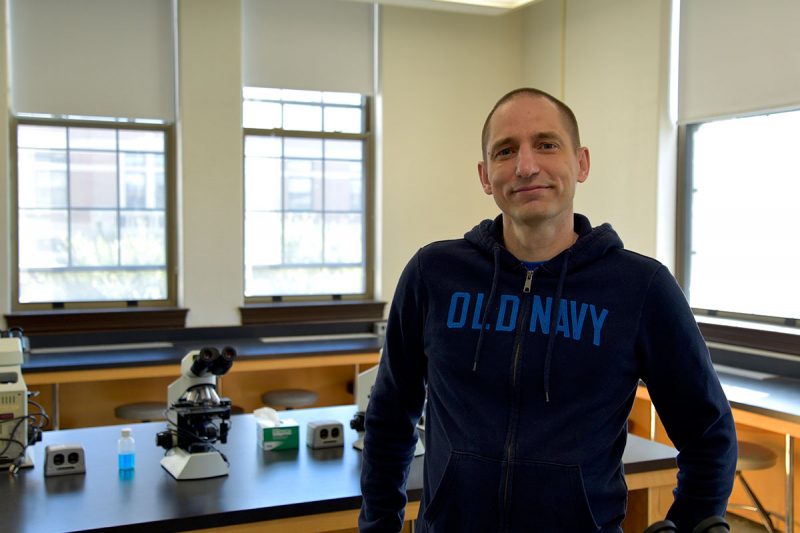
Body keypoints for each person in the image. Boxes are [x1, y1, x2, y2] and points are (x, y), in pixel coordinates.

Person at [359, 88, 737, 532]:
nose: (526, 166)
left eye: (546, 144)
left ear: (581, 163)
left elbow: (708, 434)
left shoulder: (641, 288)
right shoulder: (433, 274)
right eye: (505, 151)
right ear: (485, 175)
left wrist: (691, 523)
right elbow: (389, 419)